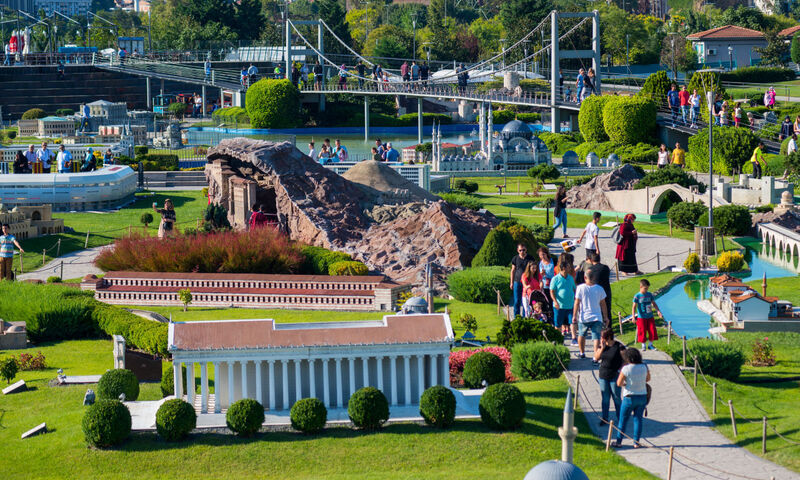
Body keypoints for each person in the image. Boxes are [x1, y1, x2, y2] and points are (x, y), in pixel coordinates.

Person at [612, 348, 650, 448]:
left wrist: (626, 384)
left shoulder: (626, 369)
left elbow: (619, 383)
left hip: (629, 397)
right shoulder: (644, 366)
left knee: (623, 420)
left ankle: (619, 441)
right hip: (642, 396)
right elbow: (648, 379)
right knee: (638, 419)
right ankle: (636, 442)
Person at [573, 267, 608, 359]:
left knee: (581, 334)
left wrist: (574, 315)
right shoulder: (600, 288)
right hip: (597, 316)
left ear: (585, 277)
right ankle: (595, 356)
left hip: (584, 317)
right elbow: (603, 304)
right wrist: (606, 317)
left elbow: (577, 302)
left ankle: (582, 353)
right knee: (596, 337)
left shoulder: (580, 288)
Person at [593, 328, 625, 427]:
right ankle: (605, 418)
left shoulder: (619, 346)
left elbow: (626, 360)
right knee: (605, 398)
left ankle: (620, 418)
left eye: (603, 337)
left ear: (609, 337)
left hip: (615, 375)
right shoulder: (602, 346)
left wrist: (621, 370)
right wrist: (602, 348)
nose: (601, 339)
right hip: (603, 375)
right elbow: (596, 358)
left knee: (616, 398)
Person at [550, 255, 576, 338]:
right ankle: (557, 338)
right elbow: (552, 291)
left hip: (570, 305)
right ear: (563, 268)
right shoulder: (555, 279)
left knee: (572, 321)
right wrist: (555, 301)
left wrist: (576, 300)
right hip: (559, 306)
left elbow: (574, 289)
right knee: (558, 324)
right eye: (568, 267)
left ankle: (574, 338)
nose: (570, 268)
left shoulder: (571, 278)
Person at [633, 278, 662, 351]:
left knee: (652, 330)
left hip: (650, 316)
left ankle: (650, 345)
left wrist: (658, 311)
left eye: (647, 288)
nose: (646, 290)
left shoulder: (649, 295)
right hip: (641, 317)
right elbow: (634, 306)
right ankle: (643, 346)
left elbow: (654, 304)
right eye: (645, 288)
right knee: (642, 331)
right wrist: (633, 317)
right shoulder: (637, 296)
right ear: (641, 287)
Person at [586, 252, 612, 327]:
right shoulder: (605, 268)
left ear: (591, 260)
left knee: (596, 310)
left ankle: (598, 326)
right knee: (607, 309)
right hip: (606, 290)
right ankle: (608, 326)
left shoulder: (590, 270)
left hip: (595, 291)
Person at [510, 243, 535, 317]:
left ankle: (525, 317)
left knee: (526, 301)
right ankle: (516, 318)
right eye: (520, 250)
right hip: (517, 282)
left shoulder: (530, 258)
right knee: (517, 301)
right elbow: (513, 270)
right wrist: (511, 282)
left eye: (523, 250)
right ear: (518, 250)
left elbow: (534, 269)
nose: (522, 252)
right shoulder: (515, 258)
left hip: (527, 283)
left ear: (526, 250)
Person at [538, 246, 555, 314]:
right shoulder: (540, 263)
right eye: (540, 255)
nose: (542, 256)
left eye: (543, 254)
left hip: (553, 283)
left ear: (546, 254)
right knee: (546, 301)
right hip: (545, 284)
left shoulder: (553, 260)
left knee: (553, 300)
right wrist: (541, 274)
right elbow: (538, 275)